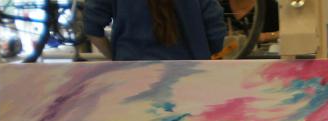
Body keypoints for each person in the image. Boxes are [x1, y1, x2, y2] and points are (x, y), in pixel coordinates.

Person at [84, 0, 226, 61]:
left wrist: (115, 58)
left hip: (130, 74)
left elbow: (92, 27)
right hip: (188, 74)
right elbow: (216, 32)